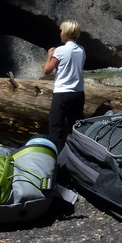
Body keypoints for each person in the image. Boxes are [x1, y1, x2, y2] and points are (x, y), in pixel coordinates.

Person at [44, 20, 86, 148]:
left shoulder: (60, 51)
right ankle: (77, 153)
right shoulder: (81, 50)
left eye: (61, 31)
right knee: (76, 125)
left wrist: (49, 56)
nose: (60, 33)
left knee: (56, 127)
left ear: (65, 34)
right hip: (78, 93)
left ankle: (57, 156)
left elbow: (47, 71)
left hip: (62, 93)